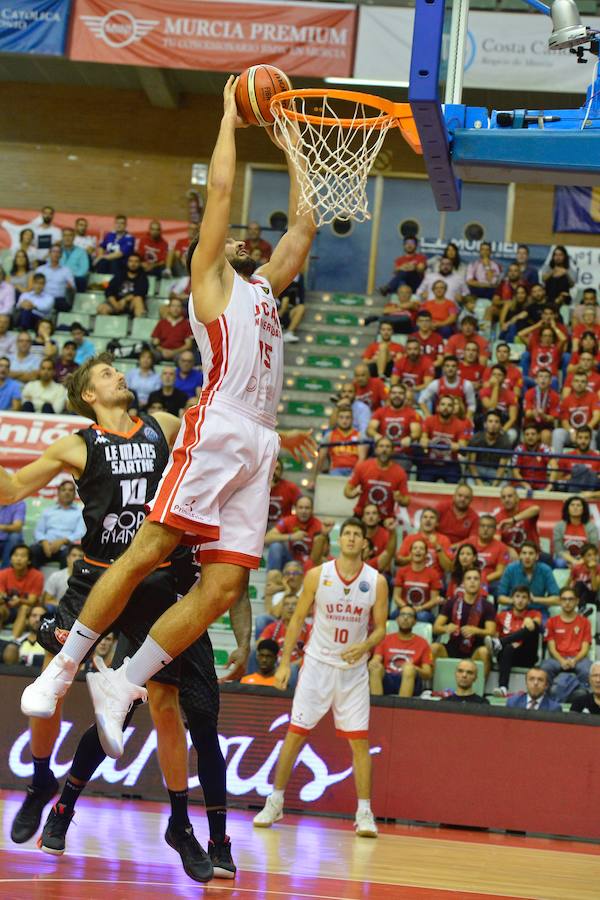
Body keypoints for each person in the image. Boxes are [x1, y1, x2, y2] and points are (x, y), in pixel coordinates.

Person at [18, 77, 318, 761]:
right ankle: (61, 671)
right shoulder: (211, 280)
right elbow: (218, 195)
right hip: (221, 422)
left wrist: (295, 142)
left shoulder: (266, 288)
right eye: (237, 242)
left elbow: (302, 226)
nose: (248, 243)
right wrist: (226, 120)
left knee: (225, 586)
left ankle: (122, 682)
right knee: (151, 547)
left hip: (260, 439)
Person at [7, 354, 244, 880]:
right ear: (89, 395)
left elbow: (218, 451)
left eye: (117, 370)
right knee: (50, 682)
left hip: (157, 579)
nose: (119, 375)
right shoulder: (77, 443)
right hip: (97, 577)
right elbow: (13, 490)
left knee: (161, 700)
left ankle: (179, 823)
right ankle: (42, 781)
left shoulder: (162, 426)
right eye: (106, 373)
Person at [253, 518, 388, 836]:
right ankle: (275, 802)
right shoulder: (318, 574)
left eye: (358, 535)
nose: (352, 539)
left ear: (365, 543)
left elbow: (381, 627)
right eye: (348, 534)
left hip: (353, 672)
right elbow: (298, 617)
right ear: (340, 540)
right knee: (295, 734)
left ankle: (365, 813)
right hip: (316, 665)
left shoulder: (376, 581)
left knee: (359, 742)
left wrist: (366, 645)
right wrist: (285, 663)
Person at [431, 567, 495, 676]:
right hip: (452, 647)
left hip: (474, 650)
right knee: (434, 648)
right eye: (469, 578)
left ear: (480, 583)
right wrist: (446, 628)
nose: (472, 581)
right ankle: (431, 689)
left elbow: (491, 631)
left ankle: (479, 690)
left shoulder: (487, 606)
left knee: (484, 652)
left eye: (476, 579)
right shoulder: (452, 602)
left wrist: (476, 630)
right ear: (463, 583)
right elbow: (436, 628)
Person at [485, 586, 542, 697]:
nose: (520, 600)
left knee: (532, 627)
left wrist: (529, 620)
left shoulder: (534, 613)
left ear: (529, 601)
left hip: (526, 654)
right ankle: (503, 687)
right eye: (517, 596)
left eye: (524, 597)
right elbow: (495, 634)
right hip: (507, 654)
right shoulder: (502, 615)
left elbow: (536, 623)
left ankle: (500, 642)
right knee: (508, 648)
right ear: (512, 599)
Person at [344, 435, 409, 528]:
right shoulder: (363, 467)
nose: (384, 450)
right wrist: (353, 493)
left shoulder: (400, 472)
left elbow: (407, 501)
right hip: (362, 515)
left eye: (387, 447)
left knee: (392, 532)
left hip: (385, 518)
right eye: (381, 446)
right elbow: (347, 491)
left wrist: (400, 499)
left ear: (393, 451)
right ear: (376, 450)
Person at [369, 605, 433, 697]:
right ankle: (376, 706)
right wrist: (373, 663)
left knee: (408, 669)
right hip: (388, 678)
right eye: (402, 614)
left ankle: (403, 708)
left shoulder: (423, 643)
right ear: (397, 619)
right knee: (375, 668)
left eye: (409, 615)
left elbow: (428, 673)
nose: (405, 618)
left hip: (411, 680)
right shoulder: (385, 639)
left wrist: (414, 668)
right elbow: (376, 659)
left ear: (415, 622)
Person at [541, 587, 592, 699]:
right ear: (559, 601)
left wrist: (574, 660)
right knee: (545, 667)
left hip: (579, 659)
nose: (567, 602)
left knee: (587, 669)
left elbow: (585, 648)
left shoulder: (585, 622)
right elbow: (551, 647)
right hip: (557, 659)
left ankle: (584, 697)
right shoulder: (551, 621)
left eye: (570, 599)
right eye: (564, 599)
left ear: (577, 601)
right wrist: (562, 660)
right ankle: (546, 698)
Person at [29, 481, 85, 570]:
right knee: (32, 551)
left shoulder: (79, 512)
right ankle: (33, 582)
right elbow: (38, 531)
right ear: (58, 493)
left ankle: (64, 583)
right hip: (46, 546)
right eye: (64, 490)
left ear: (75, 494)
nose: (67, 492)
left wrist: (63, 541)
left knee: (72, 554)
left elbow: (80, 532)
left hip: (66, 547)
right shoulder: (48, 511)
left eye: (70, 490)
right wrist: (44, 542)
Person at [367, 383, 421, 473]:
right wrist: (376, 435)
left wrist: (410, 438)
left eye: (400, 393)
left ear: (404, 396)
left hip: (401, 454)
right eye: (394, 393)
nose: (397, 396)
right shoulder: (380, 411)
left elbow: (416, 432)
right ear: (389, 395)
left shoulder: (411, 413)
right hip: (382, 452)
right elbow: (370, 429)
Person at [418, 394, 471, 483]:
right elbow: (423, 438)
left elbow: (463, 444)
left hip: (450, 464)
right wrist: (423, 441)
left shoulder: (461, 425)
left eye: (449, 405)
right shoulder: (429, 420)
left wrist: (458, 445)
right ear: (438, 407)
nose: (445, 407)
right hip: (430, 463)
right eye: (443, 404)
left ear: (453, 409)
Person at [265, 495, 324, 575]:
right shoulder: (288, 520)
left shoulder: (318, 525)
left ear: (312, 510)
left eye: (307, 508)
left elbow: (322, 554)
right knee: (276, 546)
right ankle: (273, 579)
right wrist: (291, 537)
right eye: (300, 507)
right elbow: (267, 538)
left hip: (309, 564)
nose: (304, 511)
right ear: (295, 509)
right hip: (290, 561)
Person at [498, 542, 560, 611]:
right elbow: (500, 597)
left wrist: (534, 599)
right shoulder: (510, 569)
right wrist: (517, 601)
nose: (527, 557)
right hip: (514, 610)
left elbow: (557, 599)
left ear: (537, 556)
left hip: (538, 611)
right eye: (524, 553)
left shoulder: (545, 570)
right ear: (520, 556)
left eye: (531, 553)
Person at [0, 544, 44, 639]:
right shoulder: (3, 574)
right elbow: (1, 595)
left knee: (24, 607)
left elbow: (32, 601)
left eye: (22, 556)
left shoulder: (37, 576)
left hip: (27, 611)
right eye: (15, 555)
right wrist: (5, 599)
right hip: (7, 609)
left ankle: (13, 640)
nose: (18, 559)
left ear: (29, 561)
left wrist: (19, 601)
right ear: (11, 559)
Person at [393, 538, 442, 622]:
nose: (418, 551)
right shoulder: (401, 571)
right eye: (415, 548)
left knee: (422, 617)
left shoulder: (433, 574)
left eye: (421, 548)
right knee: (393, 615)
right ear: (410, 553)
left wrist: (420, 608)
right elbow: (396, 596)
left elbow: (434, 599)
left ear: (426, 554)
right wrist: (407, 609)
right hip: (404, 608)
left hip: (423, 611)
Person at [396, 506, 453, 578]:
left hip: (435, 580)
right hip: (411, 578)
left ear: (437, 523)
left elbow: (448, 567)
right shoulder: (410, 538)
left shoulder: (444, 540)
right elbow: (398, 562)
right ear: (420, 521)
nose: (428, 520)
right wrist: (412, 557)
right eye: (425, 517)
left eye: (432, 518)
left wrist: (437, 547)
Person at [552, 371, 600, 455]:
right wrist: (572, 431)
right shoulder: (566, 400)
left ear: (586, 384)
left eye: (582, 381)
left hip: (588, 430)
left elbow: (597, 416)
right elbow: (564, 421)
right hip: (572, 433)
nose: (579, 384)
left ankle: (592, 463)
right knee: (557, 433)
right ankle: (557, 463)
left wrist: (586, 430)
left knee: (591, 434)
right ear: (572, 383)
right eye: (577, 381)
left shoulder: (594, 396)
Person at [419, 355, 476, 420]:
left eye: (453, 366)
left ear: (458, 368)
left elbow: (472, 405)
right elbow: (422, 400)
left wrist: (467, 421)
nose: (450, 368)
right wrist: (429, 417)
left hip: (459, 422)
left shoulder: (466, 385)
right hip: (441, 421)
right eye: (447, 366)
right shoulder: (436, 384)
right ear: (443, 368)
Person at [491, 484, 542, 557]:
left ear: (517, 498)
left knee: (547, 559)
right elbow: (496, 541)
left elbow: (536, 509)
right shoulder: (498, 517)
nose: (507, 499)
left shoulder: (525, 508)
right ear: (501, 501)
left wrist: (513, 520)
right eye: (503, 497)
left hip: (532, 554)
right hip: (512, 556)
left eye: (510, 496)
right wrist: (508, 549)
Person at [467, 410, 513, 487]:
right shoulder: (476, 438)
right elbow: (472, 465)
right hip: (478, 469)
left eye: (496, 422)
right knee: (470, 485)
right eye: (490, 421)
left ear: (501, 425)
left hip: (494, 471)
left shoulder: (506, 442)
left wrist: (493, 487)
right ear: (485, 424)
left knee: (504, 485)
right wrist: (478, 483)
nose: (493, 424)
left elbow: (501, 469)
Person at [317, 405, 366, 477]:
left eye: (347, 418)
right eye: (341, 417)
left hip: (354, 470)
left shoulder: (360, 436)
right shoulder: (329, 436)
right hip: (336, 470)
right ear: (337, 419)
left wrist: (354, 475)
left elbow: (362, 458)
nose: (344, 420)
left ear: (352, 419)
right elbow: (321, 458)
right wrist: (314, 478)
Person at [98, 252, 149, 318]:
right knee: (101, 308)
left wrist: (124, 300)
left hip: (131, 305)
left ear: (140, 264)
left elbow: (140, 293)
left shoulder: (143, 277)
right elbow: (109, 291)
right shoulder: (119, 275)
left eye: (136, 262)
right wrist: (115, 304)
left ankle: (138, 326)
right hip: (117, 303)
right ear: (127, 263)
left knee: (138, 299)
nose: (133, 264)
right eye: (131, 261)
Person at [471, 514, 511, 598]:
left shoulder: (502, 547)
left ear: (495, 530)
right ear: (478, 528)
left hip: (491, 582)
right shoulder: (469, 543)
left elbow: (500, 572)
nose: (485, 529)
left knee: (501, 588)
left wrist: (481, 580)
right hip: (469, 579)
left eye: (489, 526)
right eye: (482, 526)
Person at [553, 496, 599, 567]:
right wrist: (573, 561)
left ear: (583, 509)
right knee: (560, 563)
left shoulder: (591, 527)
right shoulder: (559, 526)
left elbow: (593, 548)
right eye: (572, 505)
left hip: (586, 558)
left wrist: (581, 561)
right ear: (567, 508)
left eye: (578, 505)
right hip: (566, 559)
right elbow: (559, 550)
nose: (575, 507)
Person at [478, 365, 519, 443]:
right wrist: (496, 387)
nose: (496, 377)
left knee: (512, 435)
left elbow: (513, 418)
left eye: (499, 375)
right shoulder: (484, 391)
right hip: (486, 422)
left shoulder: (511, 395)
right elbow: (491, 406)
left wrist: (502, 431)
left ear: (504, 378)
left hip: (503, 423)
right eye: (494, 374)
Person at [522, 369, 560, 447]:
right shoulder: (529, 393)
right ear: (536, 380)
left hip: (546, 426)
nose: (543, 379)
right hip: (530, 424)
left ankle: (545, 458)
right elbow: (527, 414)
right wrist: (534, 413)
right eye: (540, 376)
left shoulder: (555, 396)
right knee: (530, 434)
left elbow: (552, 418)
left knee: (545, 435)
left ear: (550, 381)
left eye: (546, 377)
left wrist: (543, 416)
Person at [436, 483, 480, 550]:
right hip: (437, 546)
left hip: (459, 551)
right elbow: (426, 527)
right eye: (460, 495)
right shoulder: (441, 507)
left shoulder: (475, 517)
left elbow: (473, 540)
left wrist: (450, 548)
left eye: (466, 497)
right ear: (454, 496)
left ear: (471, 500)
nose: (462, 499)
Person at [43, 544, 84, 610]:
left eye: (81, 556)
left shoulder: (88, 579)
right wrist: (66, 606)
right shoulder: (56, 576)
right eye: (74, 555)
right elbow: (47, 601)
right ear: (68, 558)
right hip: (59, 609)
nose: (77, 558)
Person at [36, 244, 75, 311]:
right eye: (54, 251)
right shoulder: (40, 269)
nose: (56, 254)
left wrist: (70, 288)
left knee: (64, 305)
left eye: (58, 252)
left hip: (59, 299)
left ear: (61, 255)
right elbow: (35, 286)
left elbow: (73, 288)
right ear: (49, 253)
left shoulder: (66, 270)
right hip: (43, 297)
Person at [361, 503, 396, 577]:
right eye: (367, 513)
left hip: (380, 572)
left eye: (374, 513)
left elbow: (388, 556)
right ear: (363, 518)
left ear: (379, 518)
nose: (371, 516)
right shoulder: (358, 534)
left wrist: (392, 531)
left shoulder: (386, 534)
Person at [267, 457, 302, 528]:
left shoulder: (291, 488)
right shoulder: (257, 488)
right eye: (271, 468)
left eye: (277, 469)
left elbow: (303, 505)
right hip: (260, 527)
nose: (274, 472)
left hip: (283, 529)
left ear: (281, 471)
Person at [568, 542, 600, 609]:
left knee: (582, 586)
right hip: (577, 594)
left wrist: (592, 570)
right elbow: (569, 583)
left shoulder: (598, 569)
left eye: (595, 554)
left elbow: (594, 588)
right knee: (579, 584)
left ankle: (581, 607)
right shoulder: (577, 568)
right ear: (583, 557)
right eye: (589, 555)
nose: (593, 557)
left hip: (591, 596)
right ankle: (581, 608)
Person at [60, 226, 90, 293]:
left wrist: (70, 277)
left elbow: (84, 268)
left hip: (75, 278)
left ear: (74, 237)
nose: (67, 238)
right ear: (62, 237)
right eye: (65, 235)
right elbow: (50, 265)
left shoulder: (81, 251)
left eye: (70, 235)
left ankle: (79, 302)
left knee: (81, 280)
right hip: (58, 277)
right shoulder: (56, 251)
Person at [0, 499, 25, 568]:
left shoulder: (18, 503)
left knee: (15, 536)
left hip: (9, 540)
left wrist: (1, 527)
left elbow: (17, 527)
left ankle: (4, 573)